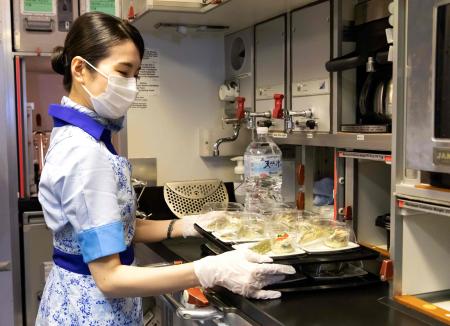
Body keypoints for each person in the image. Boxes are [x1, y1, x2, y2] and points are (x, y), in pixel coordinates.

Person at [36, 12, 295, 325]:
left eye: (136, 75)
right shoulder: (85, 154)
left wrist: (188, 224)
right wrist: (209, 270)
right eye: (123, 71)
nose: (131, 85)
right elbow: (110, 278)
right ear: (80, 69)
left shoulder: (81, 136)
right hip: (91, 311)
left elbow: (115, 230)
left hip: (79, 302)